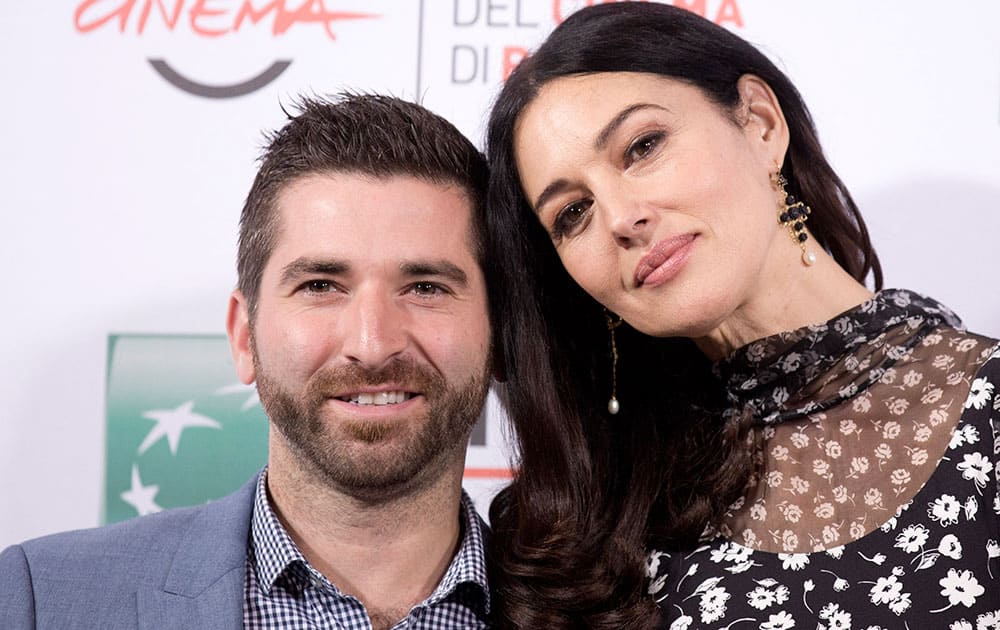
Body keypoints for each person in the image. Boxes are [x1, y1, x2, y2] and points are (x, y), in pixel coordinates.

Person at [482, 3, 1000, 628]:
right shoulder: (587, 515)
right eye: (572, 213)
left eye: (643, 146)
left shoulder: (987, 402)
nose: (621, 217)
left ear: (759, 124)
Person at [0, 94, 495, 629]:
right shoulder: (41, 600)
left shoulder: (591, 614)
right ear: (244, 336)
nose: (373, 344)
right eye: (321, 286)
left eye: (425, 287)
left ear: (500, 331)